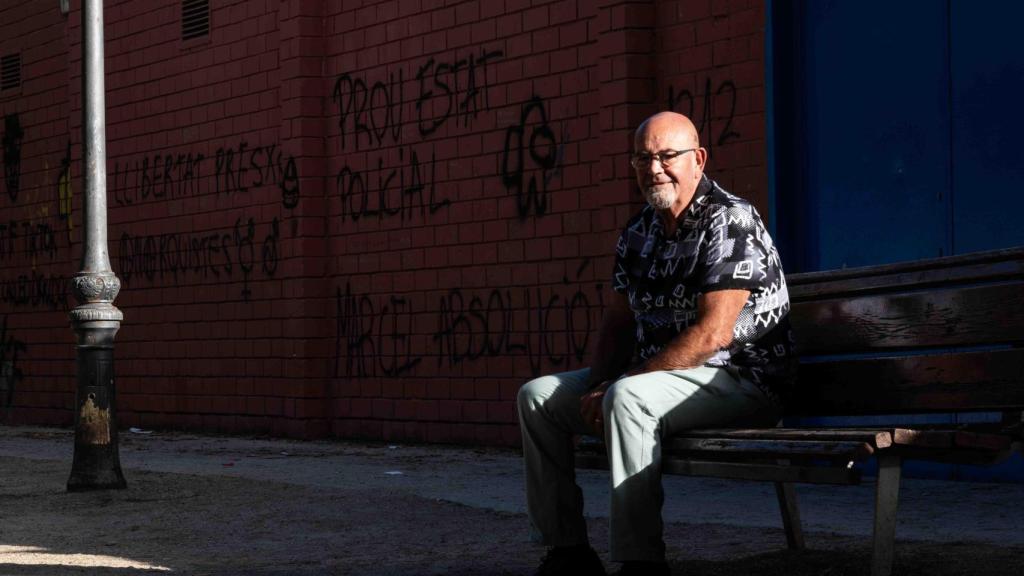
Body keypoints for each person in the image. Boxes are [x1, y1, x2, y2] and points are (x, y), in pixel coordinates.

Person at [517, 111, 796, 576]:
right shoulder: (638, 231)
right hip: (660, 381)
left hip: (741, 380)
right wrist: (599, 382)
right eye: (643, 159)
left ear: (698, 159)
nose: (654, 169)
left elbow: (714, 334)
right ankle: (567, 553)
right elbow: (618, 322)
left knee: (627, 398)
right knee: (537, 398)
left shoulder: (729, 219)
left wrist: (619, 384)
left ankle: (641, 562)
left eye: (668, 156)